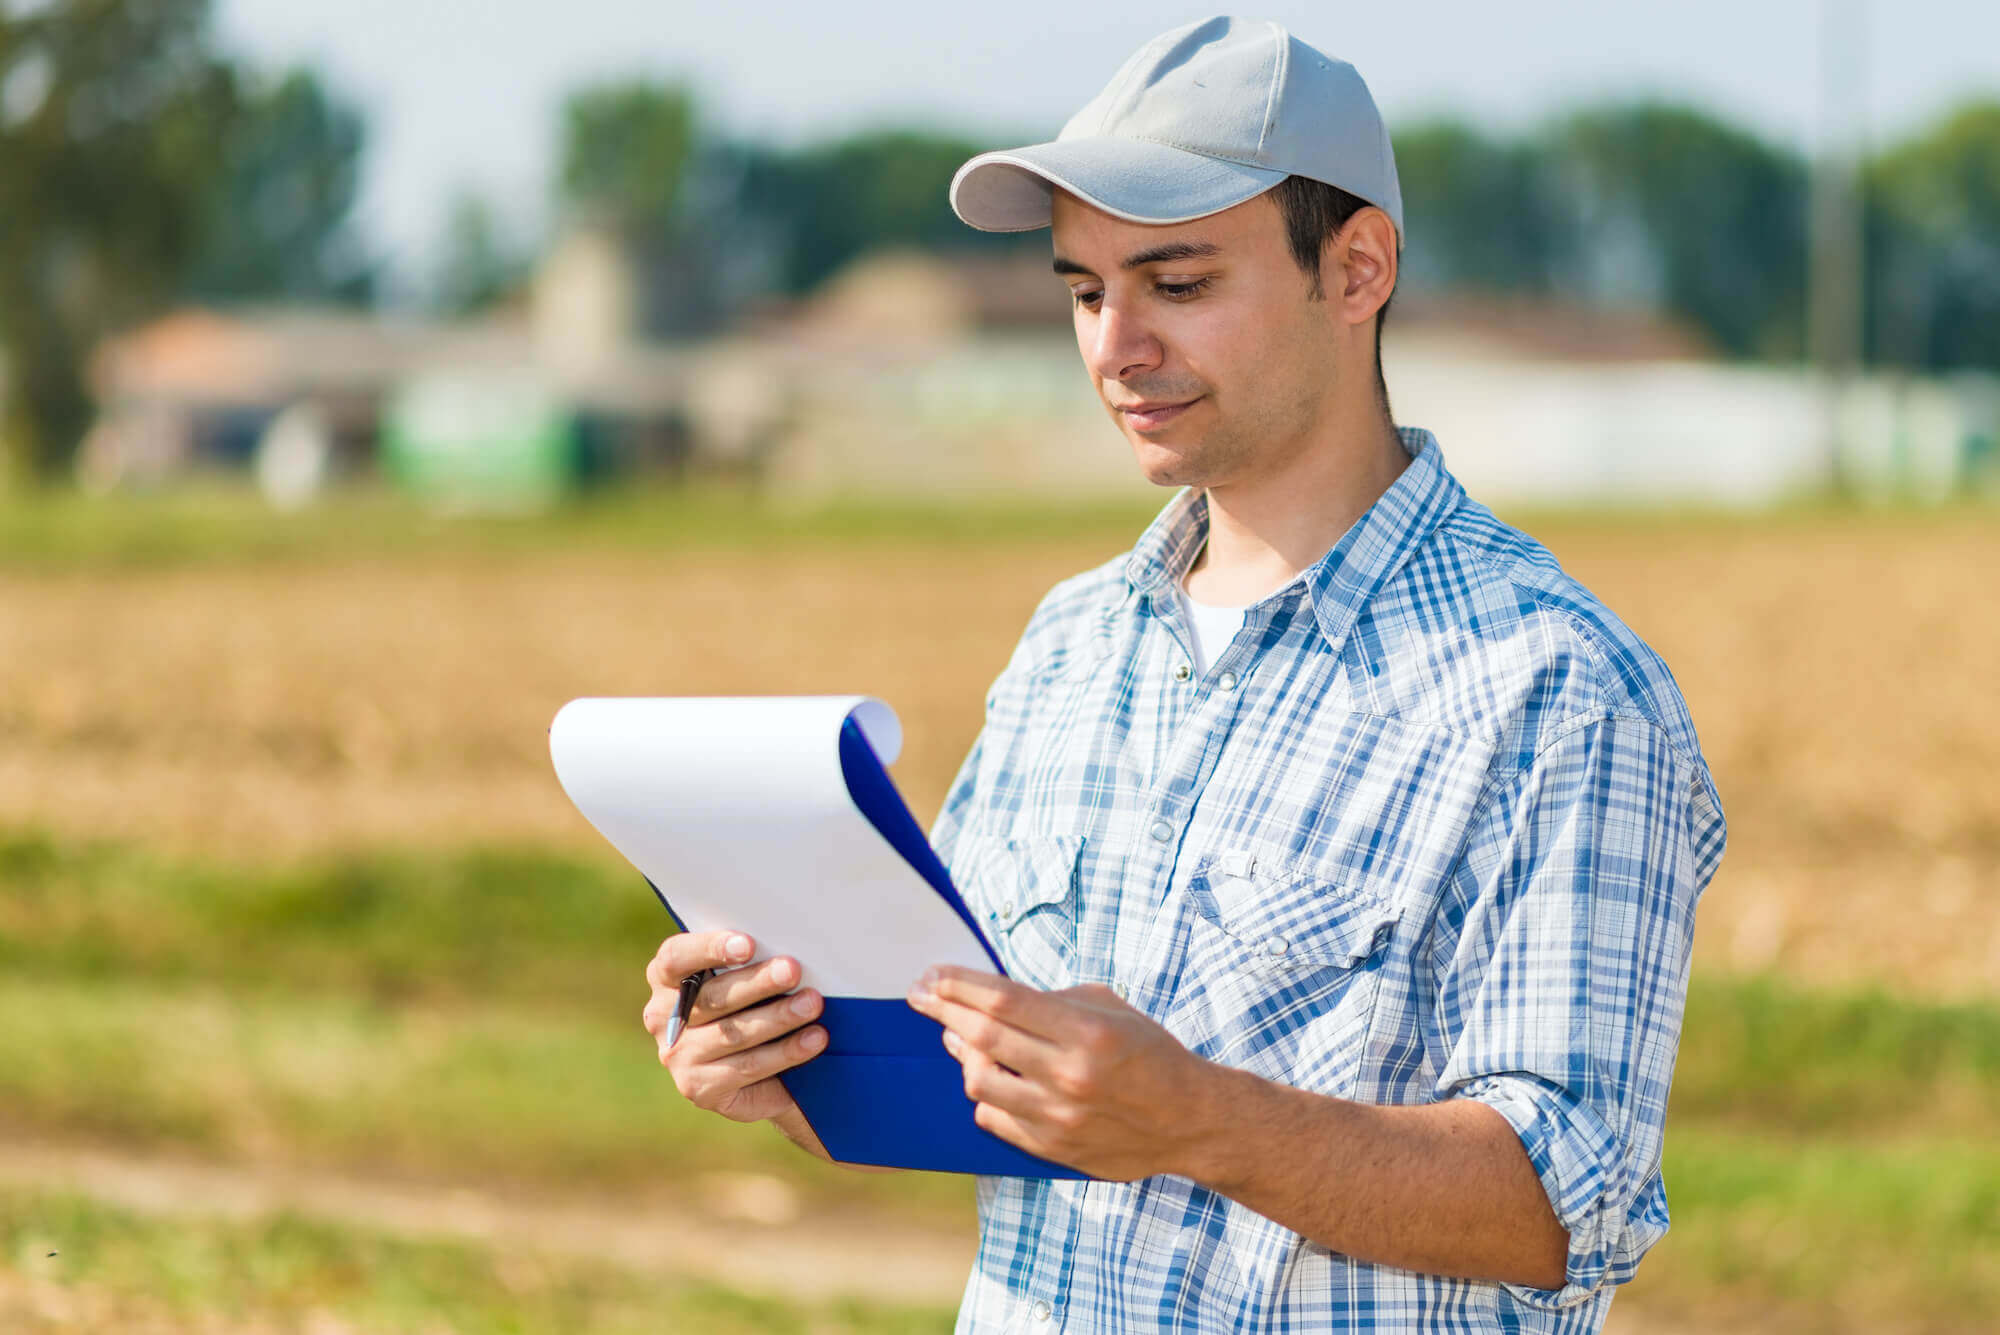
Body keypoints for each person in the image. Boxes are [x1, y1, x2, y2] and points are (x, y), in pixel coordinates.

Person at [641, 15, 1726, 1333]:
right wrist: (789, 1068)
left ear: (1358, 268)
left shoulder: (1555, 686)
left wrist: (1206, 1124)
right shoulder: (1071, 645)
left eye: (1179, 282)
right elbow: (973, 1093)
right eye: (1086, 290)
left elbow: (1569, 1212)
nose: (1115, 344)